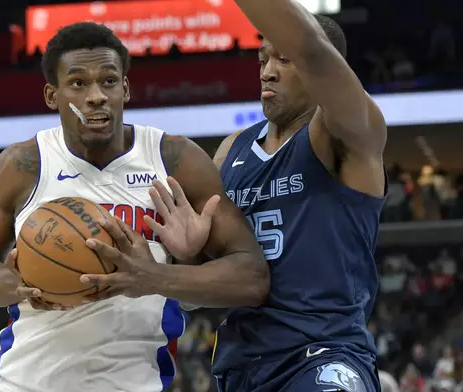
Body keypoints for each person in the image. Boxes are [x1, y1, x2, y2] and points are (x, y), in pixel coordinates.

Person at [0, 22, 269, 392]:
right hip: (24, 384)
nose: (96, 96)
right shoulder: (24, 165)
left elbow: (252, 279)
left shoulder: (173, 161)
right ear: (52, 95)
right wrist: (20, 283)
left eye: (108, 81)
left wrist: (163, 273)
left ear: (126, 89)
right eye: (78, 83)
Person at [133, 2, 388, 391]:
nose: (267, 72)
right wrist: (190, 255)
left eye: (283, 59)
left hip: (322, 356)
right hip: (241, 365)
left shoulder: (343, 136)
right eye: (263, 58)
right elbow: (197, 298)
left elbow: (314, 50)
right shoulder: (232, 149)